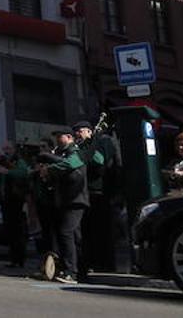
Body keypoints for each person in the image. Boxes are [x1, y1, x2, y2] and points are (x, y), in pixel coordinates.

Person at [36, 128, 87, 284]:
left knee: (66, 233)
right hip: (65, 200)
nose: (58, 139)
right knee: (71, 236)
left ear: (69, 137)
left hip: (76, 200)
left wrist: (49, 167)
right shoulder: (62, 153)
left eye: (60, 137)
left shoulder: (75, 152)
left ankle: (71, 272)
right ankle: (75, 270)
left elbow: (70, 164)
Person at [73, 118, 120, 277]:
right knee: (87, 232)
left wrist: (88, 148)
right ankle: (89, 262)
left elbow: (99, 162)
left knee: (101, 230)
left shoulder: (100, 143)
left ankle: (104, 264)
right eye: (76, 132)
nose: (77, 134)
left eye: (81, 131)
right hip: (86, 192)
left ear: (89, 131)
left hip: (99, 193)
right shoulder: (83, 146)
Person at [0, 142, 31, 268]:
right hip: (7, 201)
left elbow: (23, 174)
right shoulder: (3, 162)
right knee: (10, 231)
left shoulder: (19, 161)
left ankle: (20, 259)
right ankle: (13, 259)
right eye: (4, 148)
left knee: (18, 231)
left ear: (14, 150)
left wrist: (8, 172)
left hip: (17, 201)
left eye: (8, 148)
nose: (6, 151)